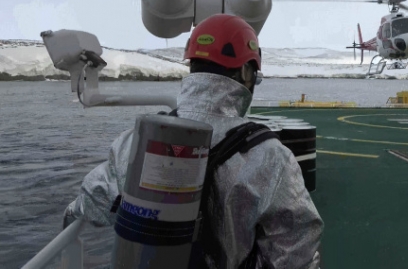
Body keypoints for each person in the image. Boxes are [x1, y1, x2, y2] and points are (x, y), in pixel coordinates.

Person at [63, 14, 324, 268]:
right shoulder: (271, 156)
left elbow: (93, 199)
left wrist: (71, 213)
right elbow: (297, 246)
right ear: (246, 73)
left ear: (192, 66)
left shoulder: (135, 141)